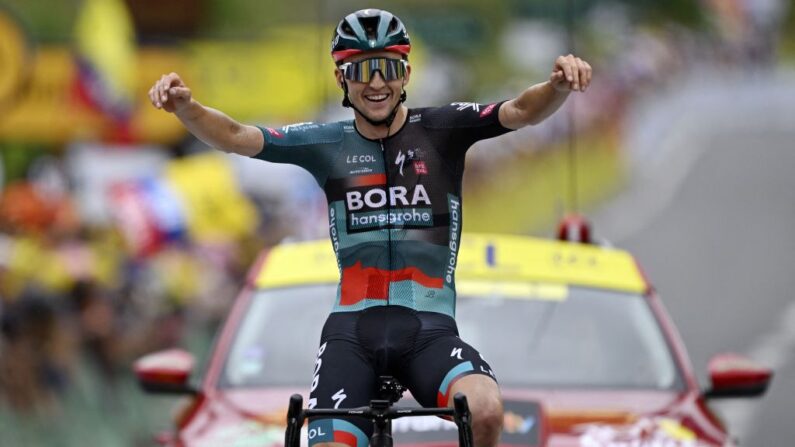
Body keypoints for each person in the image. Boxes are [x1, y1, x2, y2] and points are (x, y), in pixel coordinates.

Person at [148, 9, 591, 447]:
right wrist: (186, 107)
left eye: (387, 68)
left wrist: (556, 86)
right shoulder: (326, 144)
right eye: (361, 70)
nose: (376, 83)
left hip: (429, 329)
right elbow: (234, 135)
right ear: (341, 78)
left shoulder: (442, 130)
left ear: (406, 74)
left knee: (486, 410)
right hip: (351, 333)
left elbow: (519, 111)